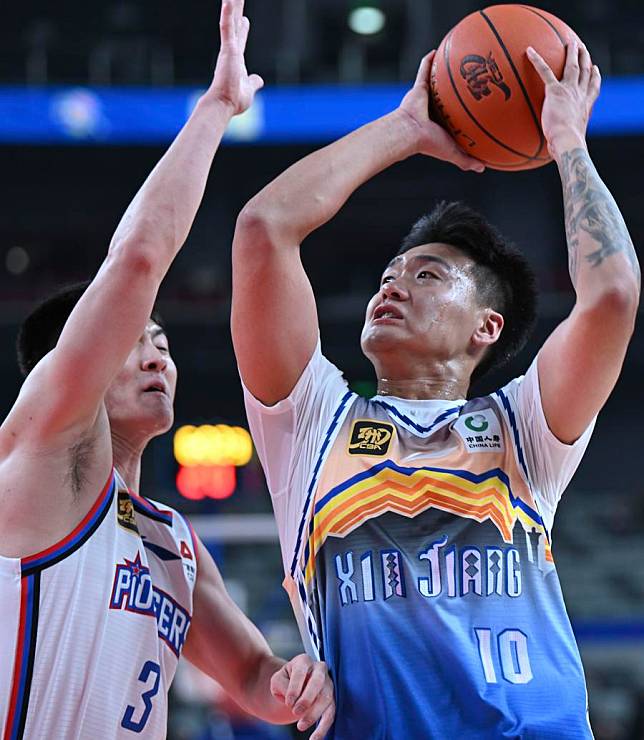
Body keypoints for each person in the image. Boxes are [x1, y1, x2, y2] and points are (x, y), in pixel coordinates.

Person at [231, 39, 640, 739]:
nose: (393, 283)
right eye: (391, 273)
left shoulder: (525, 429)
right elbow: (265, 230)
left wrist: (568, 138)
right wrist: (407, 131)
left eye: (426, 275)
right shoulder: (311, 423)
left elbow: (613, 295)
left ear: (488, 326)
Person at [0, 2, 334, 738]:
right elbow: (139, 259)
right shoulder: (42, 448)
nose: (157, 353)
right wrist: (215, 109)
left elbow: (252, 679)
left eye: (165, 342)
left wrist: (301, 683)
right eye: (134, 339)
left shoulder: (172, 541)